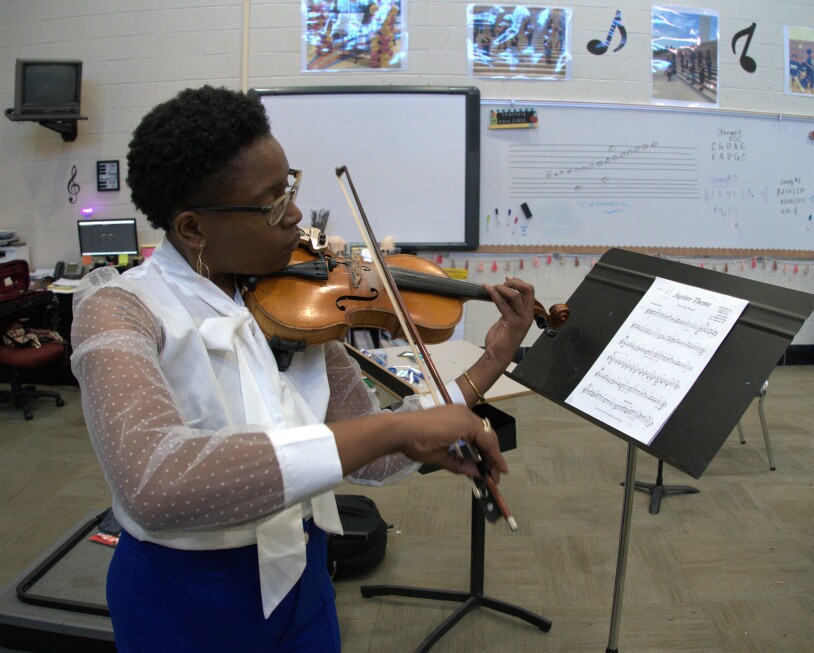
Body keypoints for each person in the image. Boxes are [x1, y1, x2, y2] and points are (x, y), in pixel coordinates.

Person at [70, 85, 536, 652]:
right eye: (270, 203)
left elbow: (377, 460)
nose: (295, 216)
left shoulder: (293, 307)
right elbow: (154, 483)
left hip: (305, 576)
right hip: (187, 601)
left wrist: (492, 359)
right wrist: (397, 426)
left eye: (289, 187)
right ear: (193, 228)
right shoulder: (120, 309)